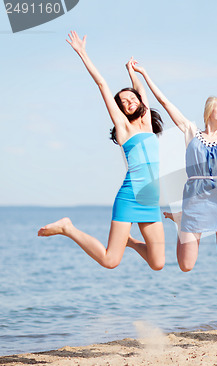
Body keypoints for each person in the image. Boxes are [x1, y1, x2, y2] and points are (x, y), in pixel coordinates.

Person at [38, 31, 165, 271]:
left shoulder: (147, 122)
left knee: (158, 263)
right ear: (120, 110)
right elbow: (101, 83)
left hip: (151, 200)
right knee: (110, 261)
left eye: (131, 99)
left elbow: (140, 89)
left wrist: (132, 71)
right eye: (123, 102)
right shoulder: (124, 128)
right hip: (130, 196)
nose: (128, 103)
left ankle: (130, 242)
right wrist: (82, 53)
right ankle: (68, 228)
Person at [131, 62, 217, 272]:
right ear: (210, 111)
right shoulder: (191, 131)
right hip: (194, 198)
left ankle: (181, 217)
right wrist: (144, 74)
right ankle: (181, 217)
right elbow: (165, 102)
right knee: (185, 265)